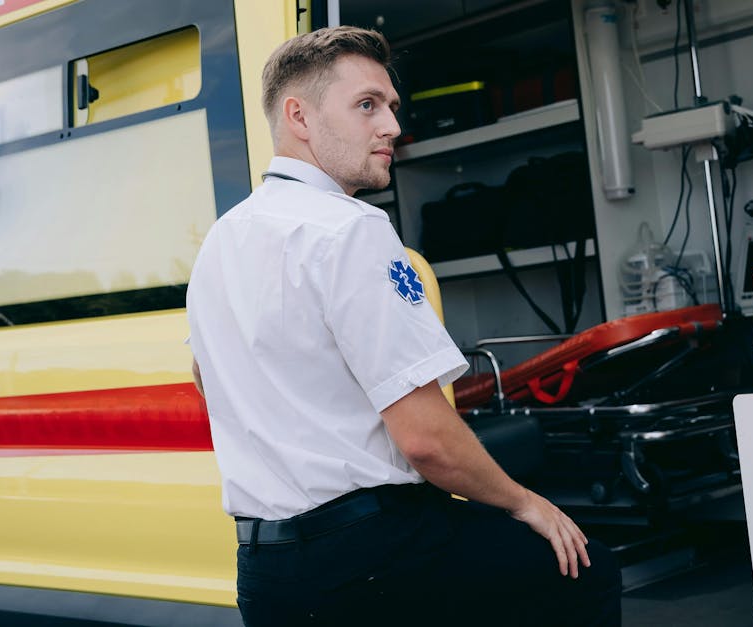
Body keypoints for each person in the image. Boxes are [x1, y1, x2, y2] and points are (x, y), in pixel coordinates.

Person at [186, 26, 621, 626]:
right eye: (367, 105)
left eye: (391, 106)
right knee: (583, 568)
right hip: (376, 555)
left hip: (268, 574)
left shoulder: (220, 241)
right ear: (299, 117)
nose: (391, 125)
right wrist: (526, 504)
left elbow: (210, 380)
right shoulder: (350, 229)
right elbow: (427, 442)